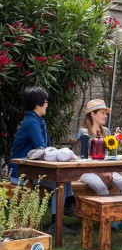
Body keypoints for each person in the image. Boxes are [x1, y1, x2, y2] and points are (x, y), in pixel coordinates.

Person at [8, 87, 77, 235]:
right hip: (20, 173)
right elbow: (43, 148)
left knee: (65, 177)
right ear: (38, 104)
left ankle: (69, 205)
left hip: (31, 171)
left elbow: (46, 148)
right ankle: (57, 222)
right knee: (60, 183)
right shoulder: (32, 123)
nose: (47, 104)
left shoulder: (38, 120)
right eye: (46, 102)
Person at [77, 99, 122, 229]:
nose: (105, 116)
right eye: (102, 113)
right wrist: (101, 172)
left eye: (105, 113)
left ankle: (118, 218)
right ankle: (106, 221)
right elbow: (82, 158)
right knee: (102, 188)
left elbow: (110, 156)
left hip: (105, 169)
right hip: (87, 170)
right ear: (93, 114)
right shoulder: (84, 132)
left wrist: (108, 170)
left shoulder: (107, 132)